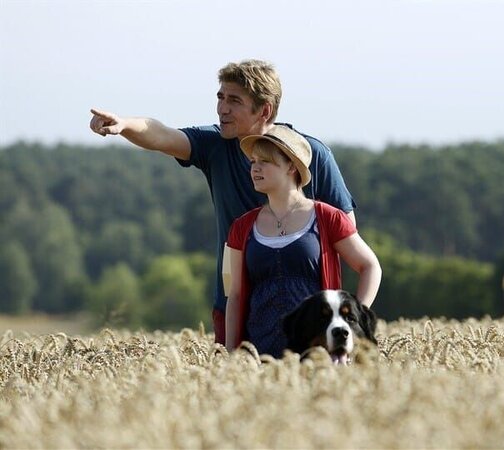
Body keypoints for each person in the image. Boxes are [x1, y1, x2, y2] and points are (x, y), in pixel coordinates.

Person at [88, 60, 356, 345]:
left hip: (310, 312)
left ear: (264, 110)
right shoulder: (215, 145)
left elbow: (346, 233)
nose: (222, 108)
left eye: (234, 101)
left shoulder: (313, 154)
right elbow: (161, 135)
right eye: (220, 97)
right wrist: (124, 124)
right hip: (235, 304)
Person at [225, 125, 380, 355]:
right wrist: (231, 353)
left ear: (291, 166)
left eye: (264, 161)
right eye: (253, 161)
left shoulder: (328, 218)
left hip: (317, 353)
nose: (255, 168)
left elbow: (370, 266)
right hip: (259, 353)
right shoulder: (241, 227)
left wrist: (355, 317)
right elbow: (234, 295)